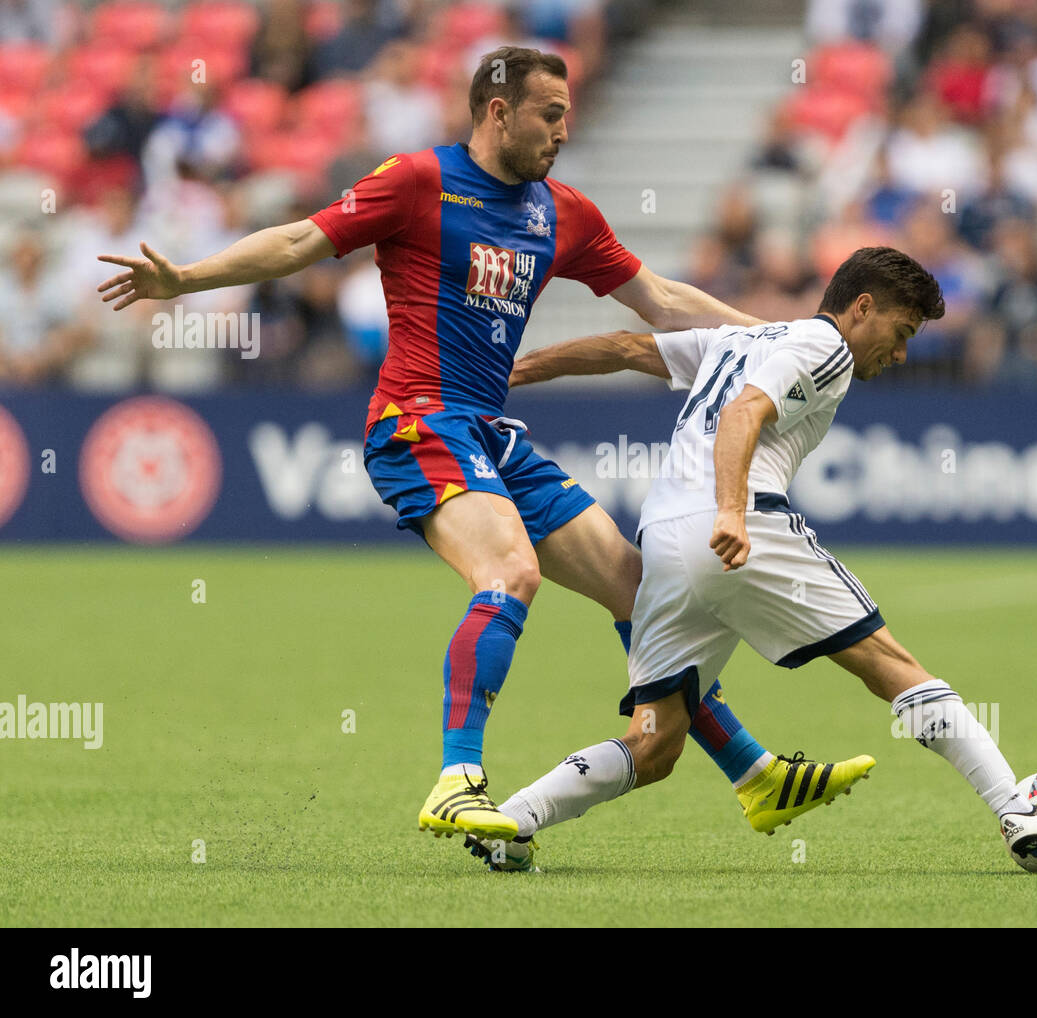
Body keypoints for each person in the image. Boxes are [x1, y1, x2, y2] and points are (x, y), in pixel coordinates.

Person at [96, 46, 863, 844]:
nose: (564, 131)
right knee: (510, 572)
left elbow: (663, 303)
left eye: (567, 114)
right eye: (550, 115)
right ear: (498, 112)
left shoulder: (562, 211)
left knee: (640, 590)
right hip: (416, 421)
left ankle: (752, 771)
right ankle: (457, 777)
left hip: (489, 432)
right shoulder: (418, 181)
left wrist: (785, 340)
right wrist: (185, 280)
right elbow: (299, 242)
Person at [478, 246, 1037, 872]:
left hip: (664, 538)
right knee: (892, 666)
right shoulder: (824, 347)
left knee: (656, 742)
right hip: (740, 526)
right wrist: (729, 510)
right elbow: (743, 412)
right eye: (902, 331)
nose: (902, 353)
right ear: (862, 308)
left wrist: (516, 370)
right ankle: (1015, 809)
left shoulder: (745, 338)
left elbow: (625, 346)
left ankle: (513, 820)